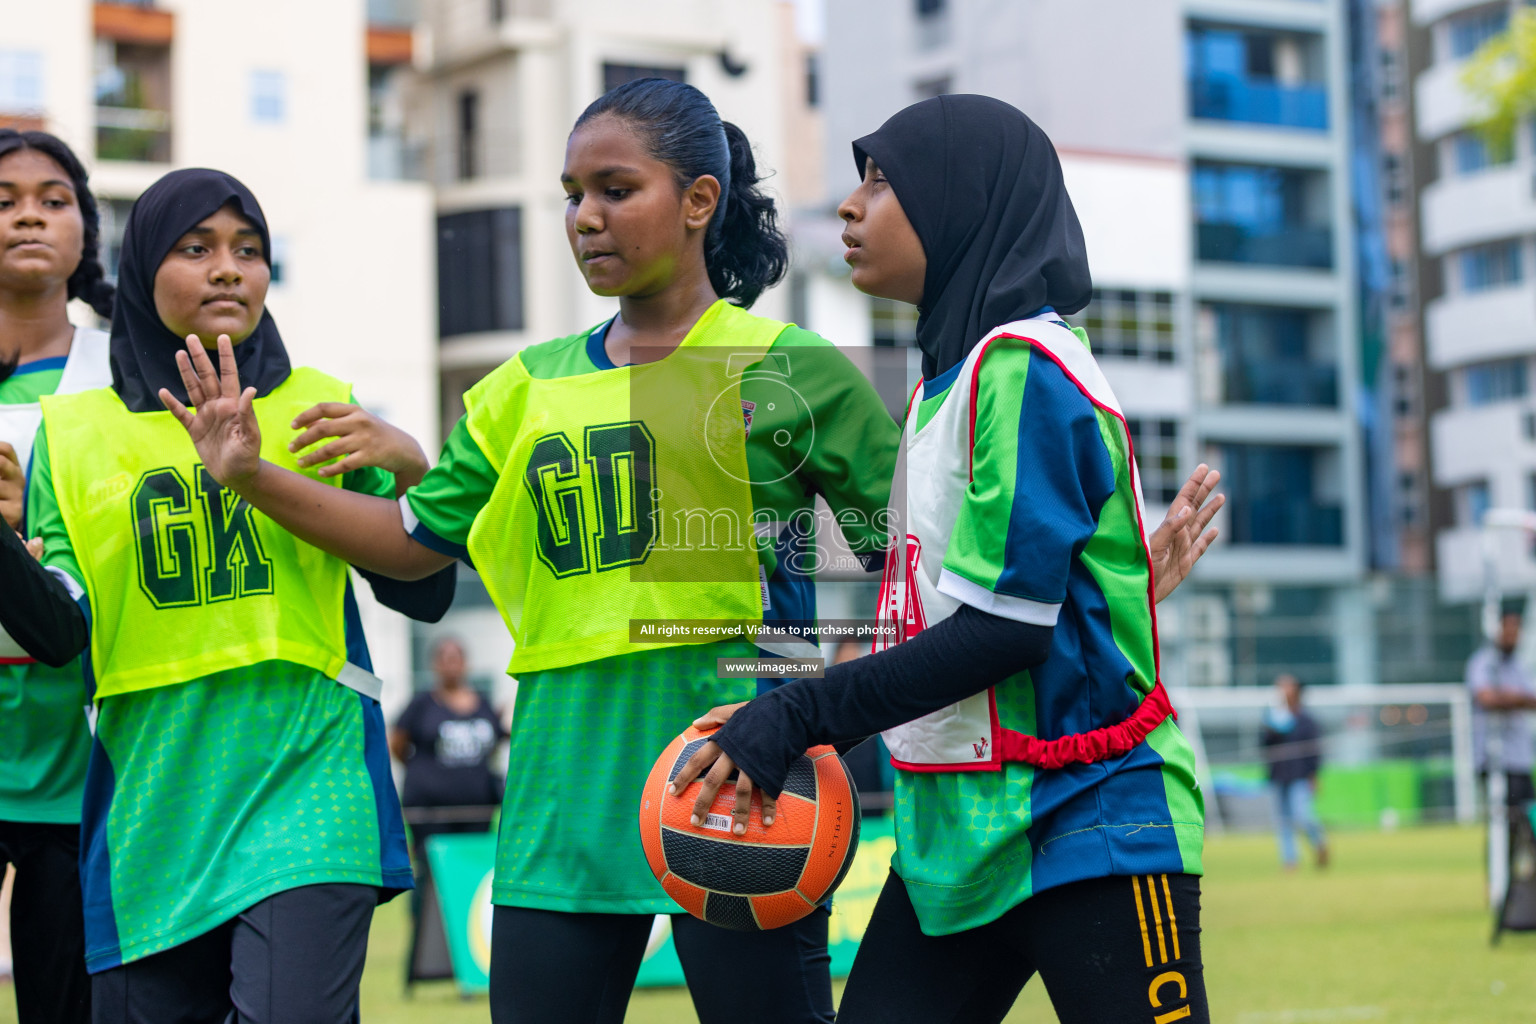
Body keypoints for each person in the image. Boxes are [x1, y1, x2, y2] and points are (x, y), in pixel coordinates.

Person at [154, 82, 1221, 1024]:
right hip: (561, 806)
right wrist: (252, 476)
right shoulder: (518, 388)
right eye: (573, 193)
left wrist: (1083, 588)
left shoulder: (800, 369)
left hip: (747, 790)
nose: (586, 217)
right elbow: (414, 547)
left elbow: (908, 567)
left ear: (698, 201)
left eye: (615, 188)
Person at [672, 95, 1216, 1024]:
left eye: (883, 181)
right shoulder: (942, 384)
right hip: (952, 832)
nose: (851, 205)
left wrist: (799, 713)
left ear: (966, 203)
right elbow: (973, 611)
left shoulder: (1026, 365)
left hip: (1088, 819)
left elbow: (1002, 630)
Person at [0, 167, 453, 1024]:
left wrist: (409, 472)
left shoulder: (319, 405)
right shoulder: (73, 431)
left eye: (249, 251)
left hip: (306, 780)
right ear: (140, 270)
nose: (227, 270)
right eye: (196, 248)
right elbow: (61, 629)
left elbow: (423, 597)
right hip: (152, 801)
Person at [0, 128, 115, 1024]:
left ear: (88, 228)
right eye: (3, 200)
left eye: (53, 197)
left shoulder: (126, 377)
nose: (29, 214)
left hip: (80, 761)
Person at [391, 636, 506, 842]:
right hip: (430, 811)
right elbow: (397, 743)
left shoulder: (483, 703)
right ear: (435, 664)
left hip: (477, 809)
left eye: (456, 658)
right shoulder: (421, 704)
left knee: (471, 865)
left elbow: (496, 741)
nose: (451, 665)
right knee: (434, 867)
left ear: (465, 663)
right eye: (445, 659)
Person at [1468, 600, 1536, 808]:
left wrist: (1507, 697)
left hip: (1520, 758)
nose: (1512, 634)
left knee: (1526, 825)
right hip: (1494, 759)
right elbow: (1486, 698)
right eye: (1508, 628)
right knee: (1504, 822)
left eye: (1516, 629)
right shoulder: (1483, 662)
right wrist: (1517, 699)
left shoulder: (1519, 666)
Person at [1261, 674, 1328, 870]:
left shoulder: (1306, 720)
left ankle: (1319, 843)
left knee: (1302, 816)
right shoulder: (1271, 717)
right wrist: (1273, 728)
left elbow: (1314, 750)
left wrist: (1314, 775)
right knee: (1283, 821)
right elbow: (1264, 745)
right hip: (1278, 775)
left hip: (1300, 775)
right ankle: (1290, 861)